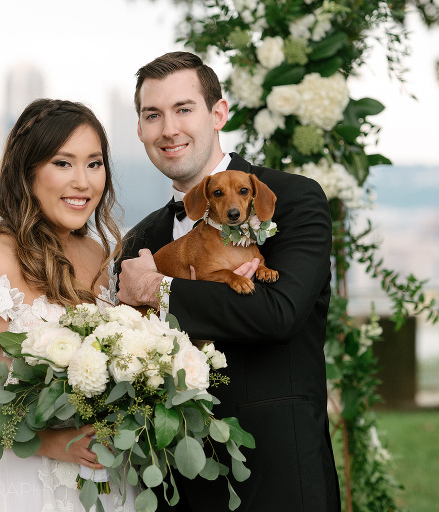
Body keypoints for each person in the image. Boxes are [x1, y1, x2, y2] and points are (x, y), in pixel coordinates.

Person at [116, 52, 340, 512]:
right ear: (140, 130)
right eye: (152, 115)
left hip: (279, 478)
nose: (168, 129)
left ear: (218, 114)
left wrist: (159, 291)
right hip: (173, 486)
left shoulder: (294, 199)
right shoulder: (140, 243)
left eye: (184, 109)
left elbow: (279, 314)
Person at [0, 99, 137, 512]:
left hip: (103, 479)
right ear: (28, 172)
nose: (83, 182)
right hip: (20, 485)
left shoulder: (97, 255)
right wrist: (49, 443)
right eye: (63, 163)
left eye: (94, 164)